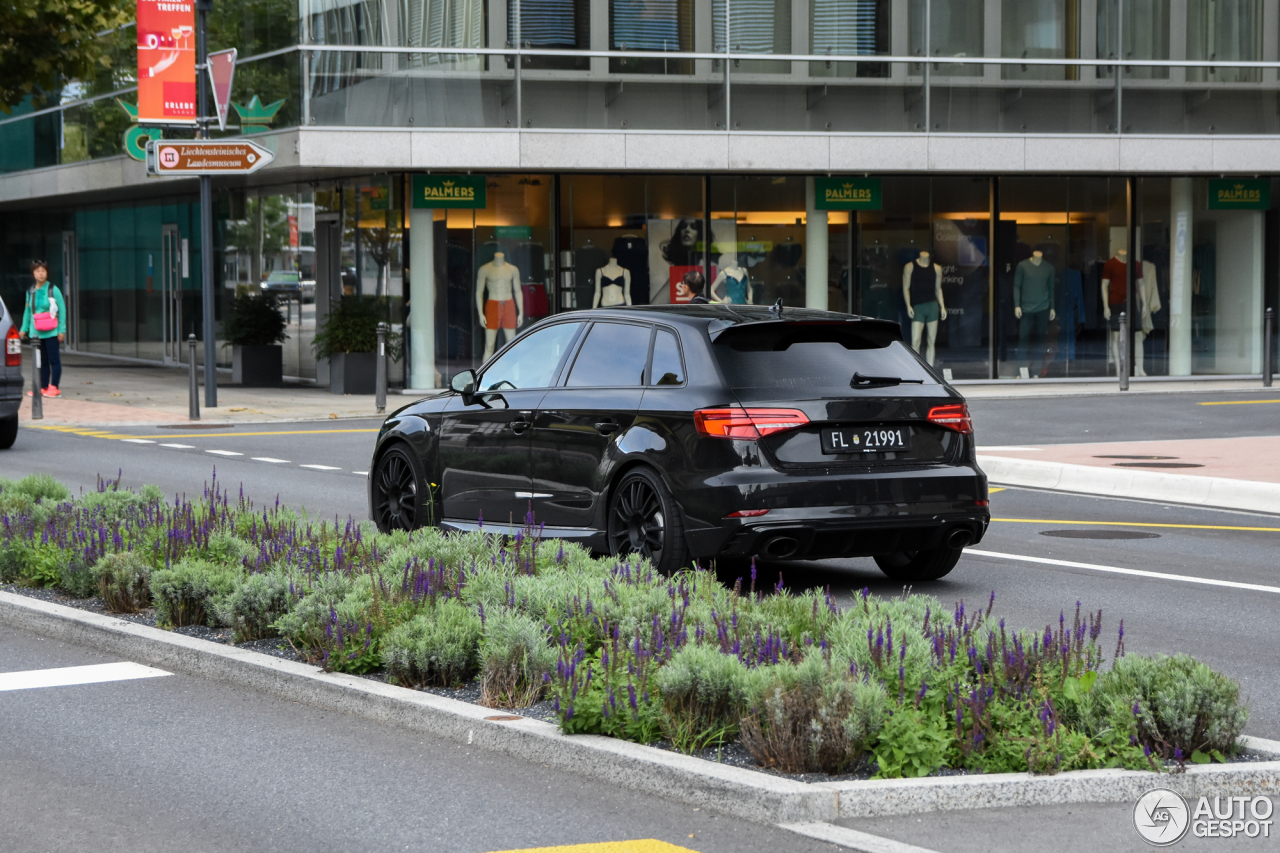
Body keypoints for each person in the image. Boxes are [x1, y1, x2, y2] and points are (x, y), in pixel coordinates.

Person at [21, 260, 66, 397]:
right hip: (37, 332)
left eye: (43, 271)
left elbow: (62, 309)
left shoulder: (53, 289)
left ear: (47, 273)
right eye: (38, 271)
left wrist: (61, 330)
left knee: (54, 360)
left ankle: (55, 387)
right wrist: (24, 329)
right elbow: (28, 312)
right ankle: (43, 387)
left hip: (52, 331)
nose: (41, 274)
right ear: (33, 274)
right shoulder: (30, 291)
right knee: (42, 361)